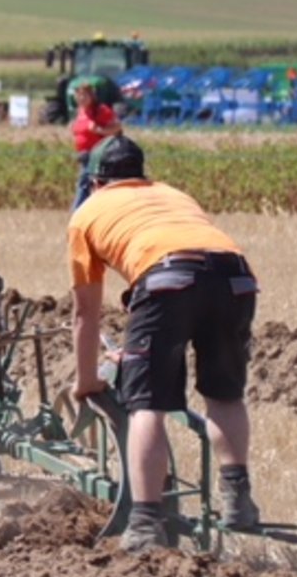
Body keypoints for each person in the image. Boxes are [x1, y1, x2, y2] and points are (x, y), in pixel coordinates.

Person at [67, 135, 261, 553]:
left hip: (166, 280)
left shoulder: (87, 214)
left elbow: (86, 313)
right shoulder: (173, 194)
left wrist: (86, 382)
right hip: (236, 278)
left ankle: (145, 521)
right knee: (223, 393)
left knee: (147, 405)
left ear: (97, 183)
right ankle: (237, 500)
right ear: (141, 174)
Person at [69, 75, 123, 210]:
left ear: (91, 96)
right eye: (78, 95)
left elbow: (117, 128)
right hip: (83, 155)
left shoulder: (101, 110)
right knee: (89, 184)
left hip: (97, 154)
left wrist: (99, 130)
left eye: (84, 95)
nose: (81, 98)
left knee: (85, 183)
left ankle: (77, 211)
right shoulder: (81, 111)